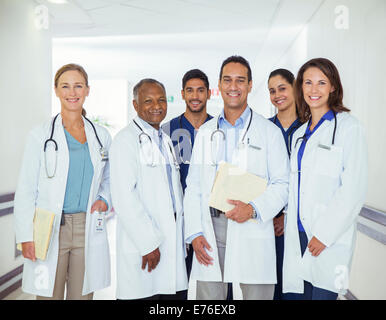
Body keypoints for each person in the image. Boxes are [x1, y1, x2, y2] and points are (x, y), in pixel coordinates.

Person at [184, 56, 289, 300]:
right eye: (227, 80)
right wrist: (195, 233)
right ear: (218, 86)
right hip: (211, 227)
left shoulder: (269, 132)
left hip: (251, 225)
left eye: (240, 80)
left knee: (256, 295)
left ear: (250, 85)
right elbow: (194, 186)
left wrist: (253, 209)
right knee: (210, 301)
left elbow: (283, 184)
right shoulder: (205, 133)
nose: (234, 87)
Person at [13, 63, 112, 300]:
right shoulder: (40, 135)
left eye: (78, 86)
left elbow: (109, 178)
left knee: (83, 296)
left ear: (88, 90)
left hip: (87, 226)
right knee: (49, 296)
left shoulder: (101, 136)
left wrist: (104, 199)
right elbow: (26, 188)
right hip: (49, 228)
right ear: (56, 90)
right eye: (65, 86)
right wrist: (26, 236)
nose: (72, 92)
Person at [282, 58, 367, 300]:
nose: (313, 89)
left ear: (333, 87)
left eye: (321, 83)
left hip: (326, 237)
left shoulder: (349, 128)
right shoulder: (299, 133)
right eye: (308, 83)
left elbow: (353, 189)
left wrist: (324, 234)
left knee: (322, 294)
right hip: (297, 234)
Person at [110, 78, 188, 300]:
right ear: (135, 105)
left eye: (161, 100)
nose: (156, 106)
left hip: (169, 239)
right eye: (148, 101)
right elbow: (124, 198)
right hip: (145, 245)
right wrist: (147, 243)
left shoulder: (163, 139)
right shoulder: (125, 140)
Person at [162, 69, 213, 283]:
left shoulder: (218, 129)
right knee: (176, 283)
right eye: (190, 91)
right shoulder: (166, 130)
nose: (195, 96)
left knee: (214, 283)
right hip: (176, 217)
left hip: (209, 217)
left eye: (200, 90)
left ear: (209, 94)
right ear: (182, 94)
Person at [267, 68, 303, 300]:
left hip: (299, 221)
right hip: (268, 222)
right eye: (271, 91)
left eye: (282, 88)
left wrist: (288, 215)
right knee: (272, 288)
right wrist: (271, 213)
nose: (277, 95)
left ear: (294, 88)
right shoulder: (265, 129)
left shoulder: (310, 127)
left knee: (296, 288)